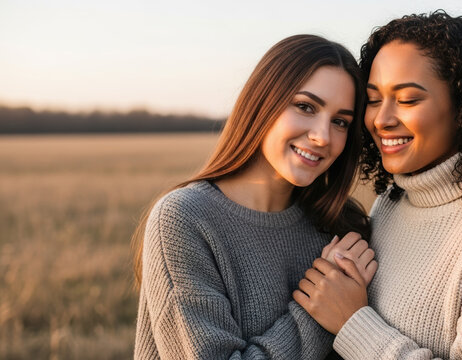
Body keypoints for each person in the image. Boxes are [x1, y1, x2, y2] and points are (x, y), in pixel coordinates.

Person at [294, 11, 462, 359]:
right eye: (373, 100)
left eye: (407, 100)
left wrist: (354, 325)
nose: (381, 119)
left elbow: (356, 325)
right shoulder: (390, 203)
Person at [132, 34, 377, 359]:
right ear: (263, 103)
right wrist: (319, 311)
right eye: (305, 107)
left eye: (340, 122)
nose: (322, 136)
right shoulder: (185, 220)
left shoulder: (342, 225)